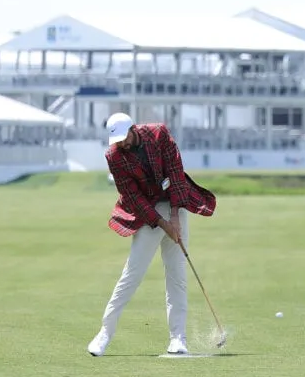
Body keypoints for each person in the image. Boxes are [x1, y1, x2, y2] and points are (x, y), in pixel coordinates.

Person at [87, 113, 217, 356]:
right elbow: (132, 197)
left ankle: (178, 339)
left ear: (133, 129)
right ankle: (104, 333)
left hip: (175, 204)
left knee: (177, 274)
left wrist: (175, 217)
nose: (122, 144)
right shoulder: (114, 156)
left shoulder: (159, 134)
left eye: (124, 138)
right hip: (147, 212)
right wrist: (162, 223)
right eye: (117, 141)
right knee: (132, 273)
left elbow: (176, 173)